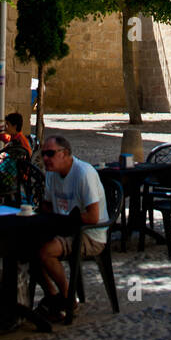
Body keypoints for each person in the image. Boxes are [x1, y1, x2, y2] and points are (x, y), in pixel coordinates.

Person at [35, 134, 109, 320]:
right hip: (65, 228)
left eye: (50, 154)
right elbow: (47, 205)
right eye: (43, 154)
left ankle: (69, 298)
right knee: (26, 248)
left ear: (65, 153)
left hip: (89, 233)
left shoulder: (84, 173)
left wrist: (62, 221)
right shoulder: (51, 174)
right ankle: (53, 295)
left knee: (45, 252)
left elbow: (93, 217)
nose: (45, 159)